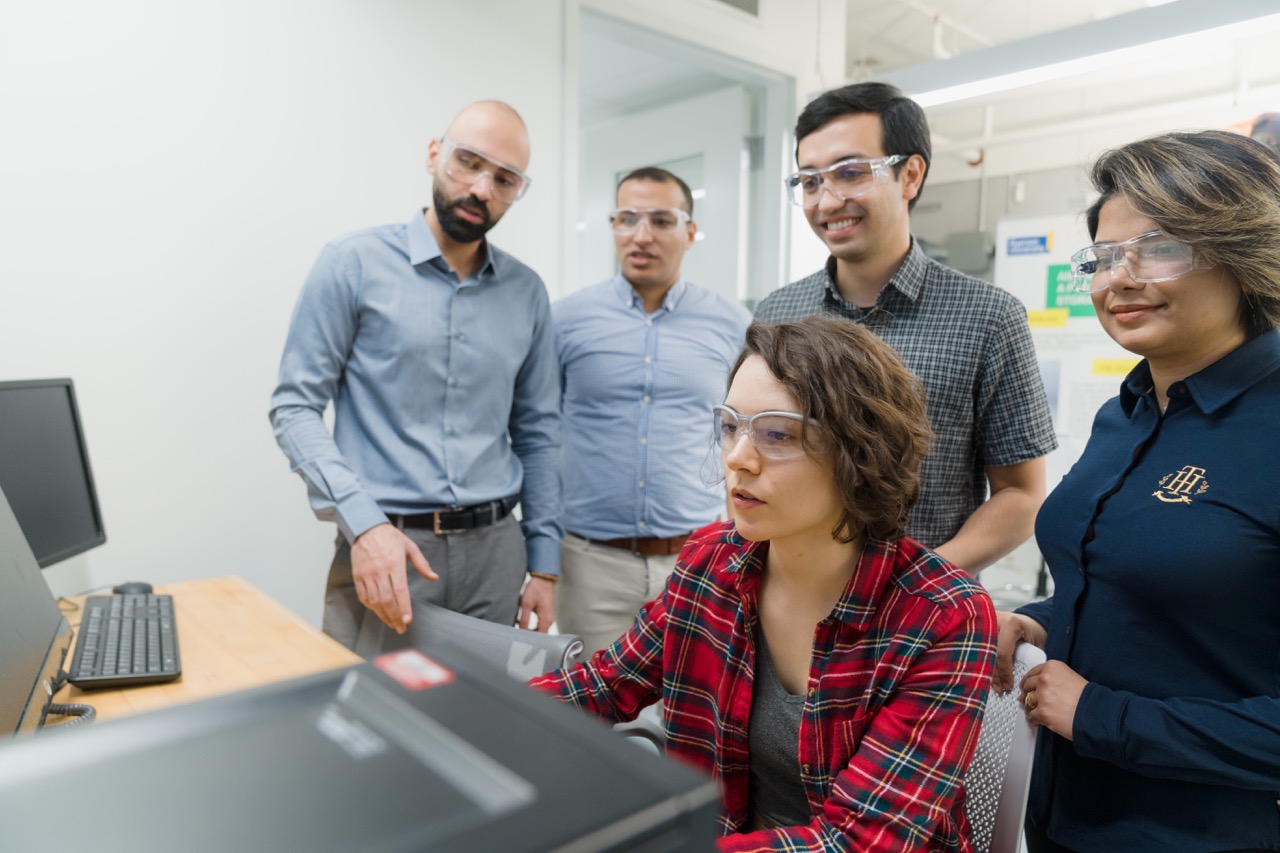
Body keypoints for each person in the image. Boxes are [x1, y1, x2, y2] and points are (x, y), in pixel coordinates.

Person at [532, 316, 996, 852]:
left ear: (861, 451)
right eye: (731, 425)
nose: (736, 458)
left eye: (777, 434)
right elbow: (603, 686)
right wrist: (456, 712)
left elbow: (857, 842)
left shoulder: (942, 615)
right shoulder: (712, 563)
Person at [994, 130, 1280, 852]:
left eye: (1157, 247)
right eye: (1102, 257)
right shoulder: (1123, 412)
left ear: (1239, 250)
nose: (1117, 279)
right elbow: (1161, 594)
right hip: (1060, 815)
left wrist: (1102, 715)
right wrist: (1044, 620)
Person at [269, 100, 561, 651]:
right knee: (367, 721)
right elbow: (293, 408)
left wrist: (544, 566)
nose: (481, 188)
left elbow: (540, 433)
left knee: (478, 722)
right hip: (387, 548)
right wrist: (364, 523)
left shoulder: (528, 292)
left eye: (504, 179)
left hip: (497, 556)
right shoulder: (351, 264)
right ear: (434, 154)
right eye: (468, 162)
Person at [754, 81, 1056, 575]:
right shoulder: (778, 312)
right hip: (791, 597)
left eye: (850, 173)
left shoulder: (987, 315)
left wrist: (915, 586)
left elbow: (1021, 495)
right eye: (809, 181)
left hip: (923, 625)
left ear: (910, 174)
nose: (826, 201)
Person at [553, 166, 751, 654]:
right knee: (588, 717)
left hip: (696, 561)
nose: (641, 235)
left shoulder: (733, 325)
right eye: (627, 218)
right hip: (589, 566)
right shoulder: (565, 320)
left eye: (662, 220)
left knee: (688, 713)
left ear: (690, 232)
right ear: (613, 226)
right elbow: (536, 436)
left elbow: (745, 438)